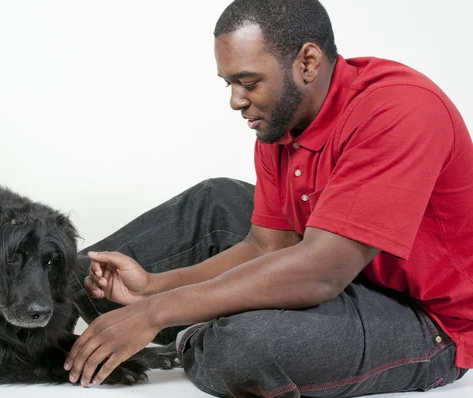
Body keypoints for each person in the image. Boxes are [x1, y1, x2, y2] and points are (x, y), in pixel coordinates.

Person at [63, 0, 473, 396]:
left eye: (249, 82)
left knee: (243, 349)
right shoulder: (282, 120)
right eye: (229, 83)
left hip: (429, 321)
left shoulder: (399, 111)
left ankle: (185, 335)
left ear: (307, 63)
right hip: (338, 274)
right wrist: (152, 288)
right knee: (216, 200)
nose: (236, 101)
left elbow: (319, 273)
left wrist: (156, 313)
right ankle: (30, 328)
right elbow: (267, 246)